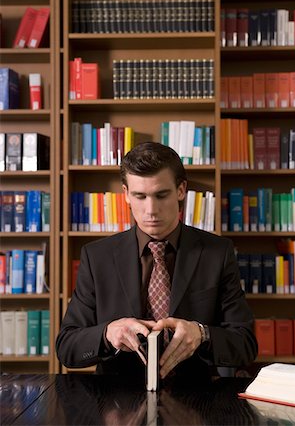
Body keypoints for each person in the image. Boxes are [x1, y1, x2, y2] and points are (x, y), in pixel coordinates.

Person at [56, 142, 257, 381]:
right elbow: (67, 346)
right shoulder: (96, 256)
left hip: (197, 399)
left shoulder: (218, 253)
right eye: (140, 196)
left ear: (181, 190)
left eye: (161, 195)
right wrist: (108, 333)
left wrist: (202, 334)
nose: (151, 210)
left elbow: (245, 343)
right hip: (116, 399)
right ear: (126, 195)